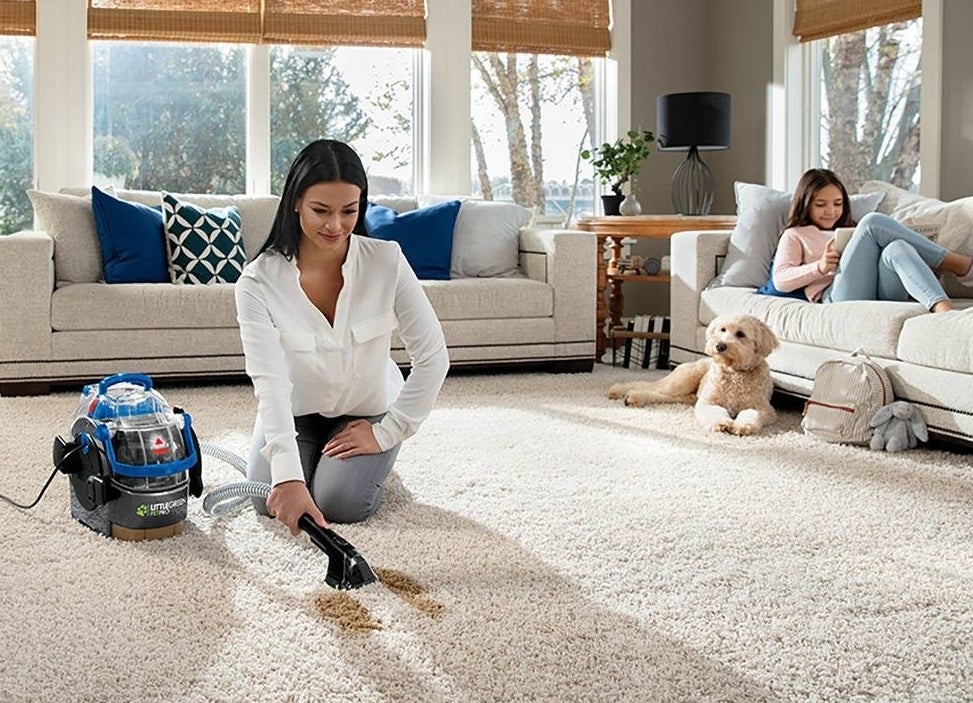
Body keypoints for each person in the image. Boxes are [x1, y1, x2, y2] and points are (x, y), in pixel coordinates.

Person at [235, 139, 449, 536]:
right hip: (295, 407)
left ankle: (366, 461)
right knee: (267, 496)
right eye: (321, 210)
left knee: (340, 504)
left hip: (364, 408)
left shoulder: (386, 261)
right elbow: (270, 380)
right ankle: (290, 449)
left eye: (349, 211)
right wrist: (286, 475)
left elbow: (434, 358)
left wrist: (387, 432)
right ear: (296, 202)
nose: (335, 225)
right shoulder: (258, 281)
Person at [772, 168, 973, 313]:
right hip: (837, 295)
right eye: (821, 204)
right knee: (872, 222)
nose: (831, 211)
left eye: (838, 203)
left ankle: (943, 309)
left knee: (897, 247)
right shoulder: (795, 234)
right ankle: (960, 264)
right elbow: (781, 280)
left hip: (884, 291)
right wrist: (820, 267)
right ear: (805, 204)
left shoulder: (854, 230)